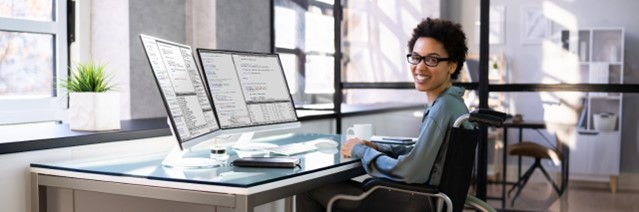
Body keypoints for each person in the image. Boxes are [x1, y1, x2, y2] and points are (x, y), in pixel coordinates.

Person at [296, 17, 472, 212]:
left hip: (413, 202)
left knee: (307, 188)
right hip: (430, 201)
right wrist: (376, 146)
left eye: (432, 59)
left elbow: (412, 171)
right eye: (416, 57)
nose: (420, 67)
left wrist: (360, 151)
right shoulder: (455, 105)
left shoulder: (442, 108)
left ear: (452, 66)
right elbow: (424, 155)